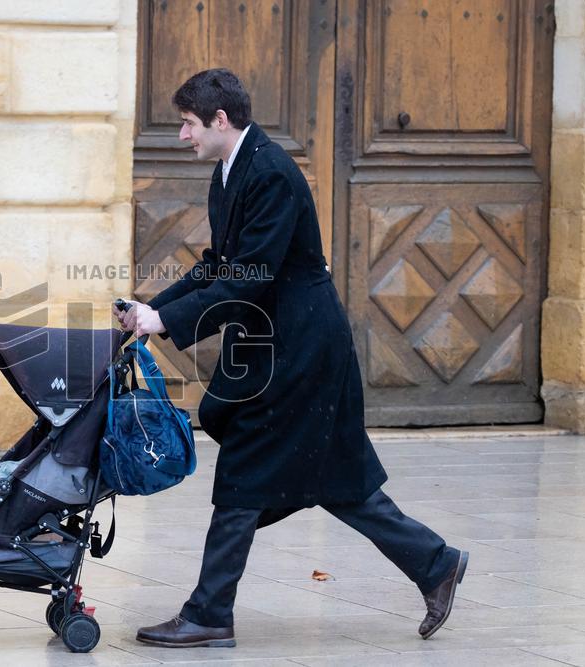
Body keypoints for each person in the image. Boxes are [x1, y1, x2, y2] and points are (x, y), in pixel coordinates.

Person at [113, 69, 467, 649]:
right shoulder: (230, 169)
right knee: (331, 478)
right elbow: (220, 264)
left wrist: (167, 321)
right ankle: (436, 564)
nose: (182, 135)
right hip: (278, 344)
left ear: (220, 120)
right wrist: (156, 310)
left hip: (299, 350)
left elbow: (249, 278)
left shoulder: (271, 172)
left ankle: (209, 613)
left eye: (189, 123)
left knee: (245, 473)